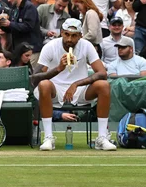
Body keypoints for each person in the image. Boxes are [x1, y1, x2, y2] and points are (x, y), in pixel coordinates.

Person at [32, 18, 116, 151]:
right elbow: (35, 78)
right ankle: (48, 137)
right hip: (55, 88)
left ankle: (102, 137)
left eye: (74, 35)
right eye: (66, 34)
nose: (69, 39)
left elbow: (102, 73)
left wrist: (76, 84)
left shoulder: (86, 45)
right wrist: (58, 68)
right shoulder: (50, 46)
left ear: (80, 36)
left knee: (104, 85)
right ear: (61, 33)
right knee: (44, 85)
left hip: (80, 89)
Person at [0, 0, 42, 69]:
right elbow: (11, 29)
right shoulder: (14, 8)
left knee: (30, 75)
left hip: (31, 49)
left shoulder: (29, 7)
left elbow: (28, 26)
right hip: (19, 50)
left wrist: (10, 24)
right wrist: (0, 24)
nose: (8, 0)